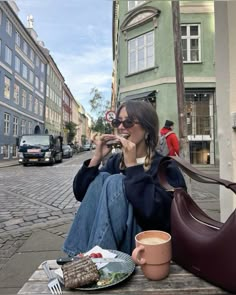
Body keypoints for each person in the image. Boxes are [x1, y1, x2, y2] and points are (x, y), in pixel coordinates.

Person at [63, 100, 186, 256]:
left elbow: (161, 219)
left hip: (146, 246)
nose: (121, 127)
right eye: (117, 122)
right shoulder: (115, 162)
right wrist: (97, 158)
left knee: (115, 181)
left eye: (128, 122)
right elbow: (82, 195)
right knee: (102, 178)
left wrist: (133, 167)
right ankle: (76, 259)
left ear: (147, 129)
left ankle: (97, 263)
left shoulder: (165, 167)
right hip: (116, 245)